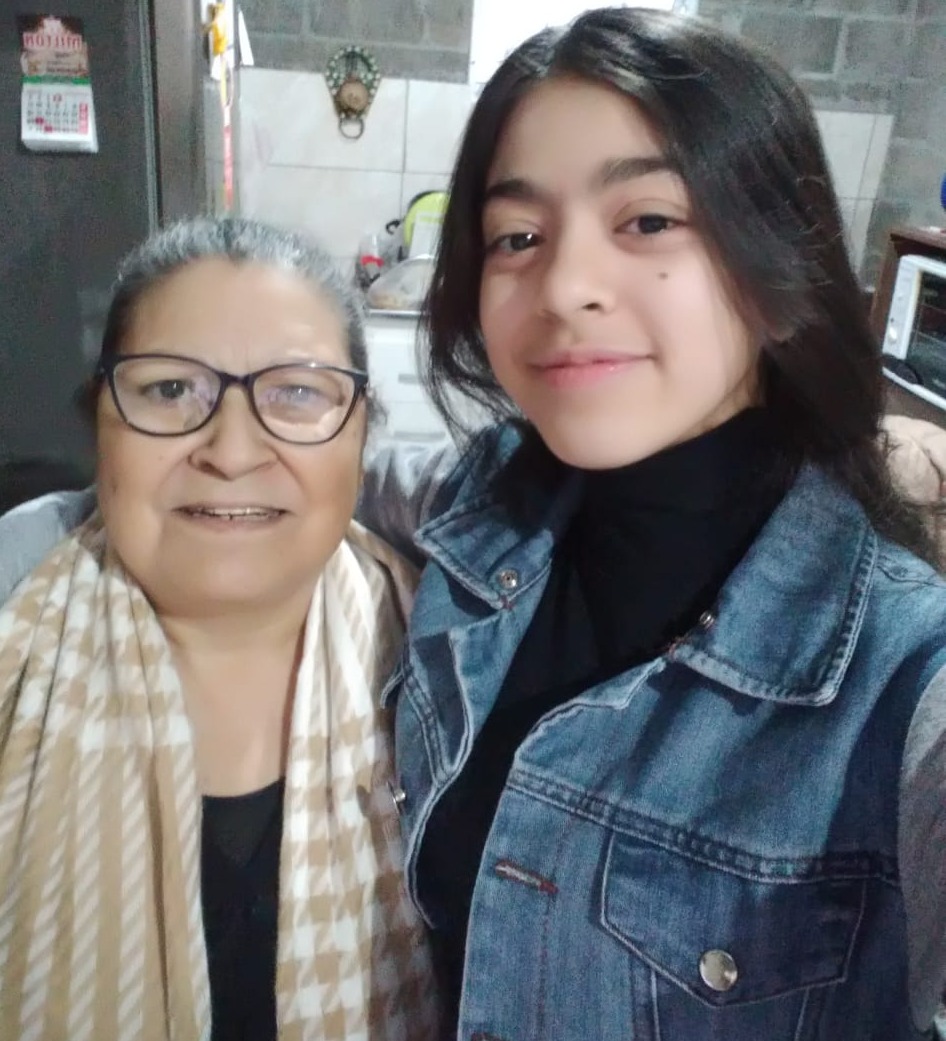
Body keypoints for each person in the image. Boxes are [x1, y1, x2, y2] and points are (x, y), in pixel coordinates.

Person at [5, 10, 946, 1041]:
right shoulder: (482, 512)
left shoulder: (905, 679)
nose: (566, 288)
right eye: (518, 237)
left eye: (646, 221)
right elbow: (281, 485)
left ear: (781, 266)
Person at [0, 218, 440, 1041]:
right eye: (170, 389)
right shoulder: (13, 636)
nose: (232, 451)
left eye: (297, 392)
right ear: (99, 421)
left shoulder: (459, 672)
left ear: (362, 435)